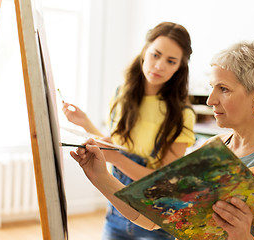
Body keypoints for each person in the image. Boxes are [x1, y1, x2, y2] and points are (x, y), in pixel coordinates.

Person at [70, 40, 254, 240]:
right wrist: (100, 176)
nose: (210, 100)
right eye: (212, 87)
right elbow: (152, 216)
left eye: (223, 88)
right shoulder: (211, 149)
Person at [63, 22, 196, 240]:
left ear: (179, 67)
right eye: (156, 55)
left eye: (171, 61)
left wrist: (117, 159)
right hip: (116, 214)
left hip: (155, 222)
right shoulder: (121, 95)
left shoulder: (182, 114)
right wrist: (85, 123)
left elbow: (162, 182)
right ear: (145, 52)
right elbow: (111, 147)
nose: (160, 65)